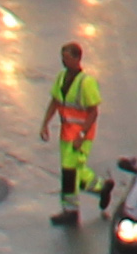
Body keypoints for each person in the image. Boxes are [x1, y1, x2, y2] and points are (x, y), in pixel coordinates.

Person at [42, 42, 104, 223]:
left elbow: (93, 111)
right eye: (62, 57)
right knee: (76, 171)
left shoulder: (86, 82)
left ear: (77, 58)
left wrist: (82, 135)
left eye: (67, 57)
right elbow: (55, 102)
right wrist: (45, 124)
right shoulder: (61, 78)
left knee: (69, 172)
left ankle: (70, 212)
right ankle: (102, 188)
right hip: (66, 134)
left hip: (81, 136)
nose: (63, 60)